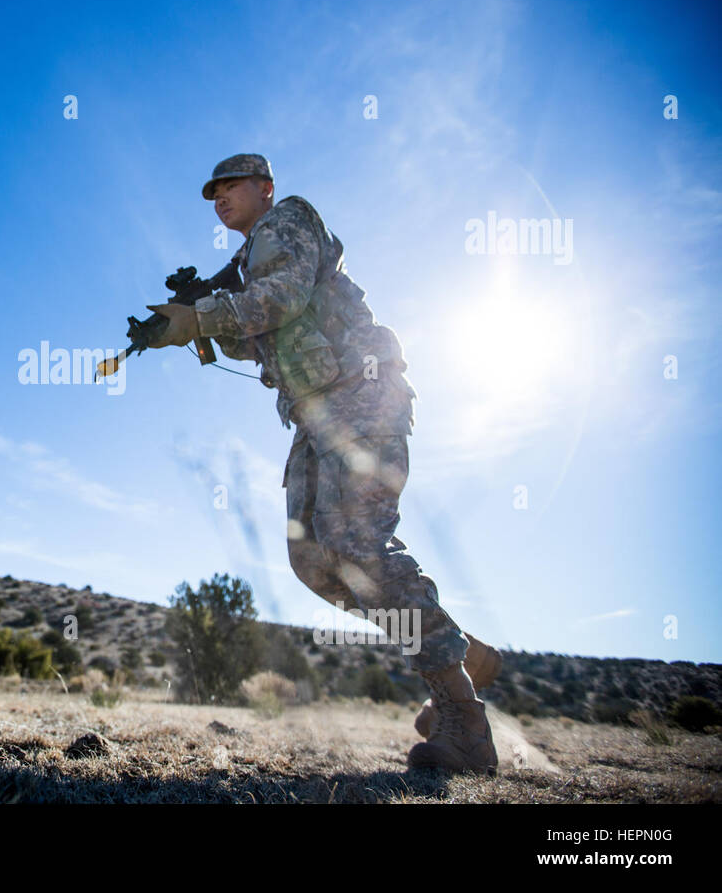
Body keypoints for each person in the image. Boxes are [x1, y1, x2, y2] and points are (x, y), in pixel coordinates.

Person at [144, 153, 501, 773]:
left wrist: (200, 316)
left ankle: (462, 722)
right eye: (213, 192)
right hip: (316, 418)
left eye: (230, 186)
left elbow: (280, 297)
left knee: (356, 543)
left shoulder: (289, 221)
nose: (219, 198)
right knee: (313, 556)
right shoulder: (246, 260)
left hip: (362, 397)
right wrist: (195, 326)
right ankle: (456, 650)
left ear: (265, 187)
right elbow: (257, 330)